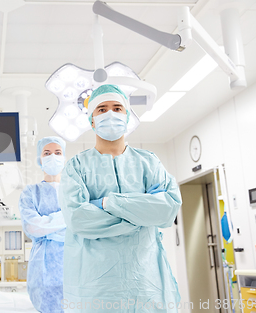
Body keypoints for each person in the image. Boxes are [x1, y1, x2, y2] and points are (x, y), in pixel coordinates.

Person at [58, 85, 182, 312]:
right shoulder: (76, 168)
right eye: (102, 109)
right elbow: (78, 220)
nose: (110, 114)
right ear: (92, 120)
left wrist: (108, 203)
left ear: (127, 117)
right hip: (97, 289)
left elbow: (167, 211)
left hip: (146, 285)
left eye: (117, 108)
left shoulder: (149, 163)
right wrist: (141, 215)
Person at [19, 136, 67, 313]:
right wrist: (66, 219)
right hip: (42, 268)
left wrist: (46, 229)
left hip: (74, 261)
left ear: (64, 158)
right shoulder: (30, 192)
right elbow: (32, 227)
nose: (52, 156)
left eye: (58, 152)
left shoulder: (74, 191)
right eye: (47, 153)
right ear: (39, 159)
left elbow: (81, 224)